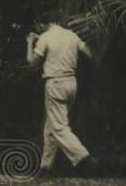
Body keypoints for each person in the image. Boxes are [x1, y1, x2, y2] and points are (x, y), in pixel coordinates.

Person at [25, 12, 94, 175]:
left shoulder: (46, 37)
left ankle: (83, 157)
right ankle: (45, 167)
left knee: (59, 126)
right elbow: (89, 53)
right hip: (71, 83)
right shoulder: (71, 35)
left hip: (55, 83)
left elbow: (32, 62)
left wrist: (29, 43)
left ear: (42, 25)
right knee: (51, 126)